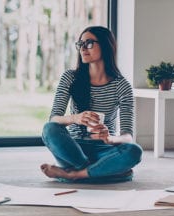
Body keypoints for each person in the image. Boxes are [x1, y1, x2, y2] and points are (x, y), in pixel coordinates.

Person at [41, 26, 142, 183]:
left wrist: (109, 139)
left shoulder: (121, 85)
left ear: (106, 46)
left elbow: (128, 136)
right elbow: (54, 119)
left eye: (88, 43)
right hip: (73, 148)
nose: (82, 48)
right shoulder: (70, 77)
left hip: (105, 149)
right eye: (80, 44)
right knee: (49, 129)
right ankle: (101, 171)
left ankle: (73, 174)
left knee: (134, 151)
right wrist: (75, 118)